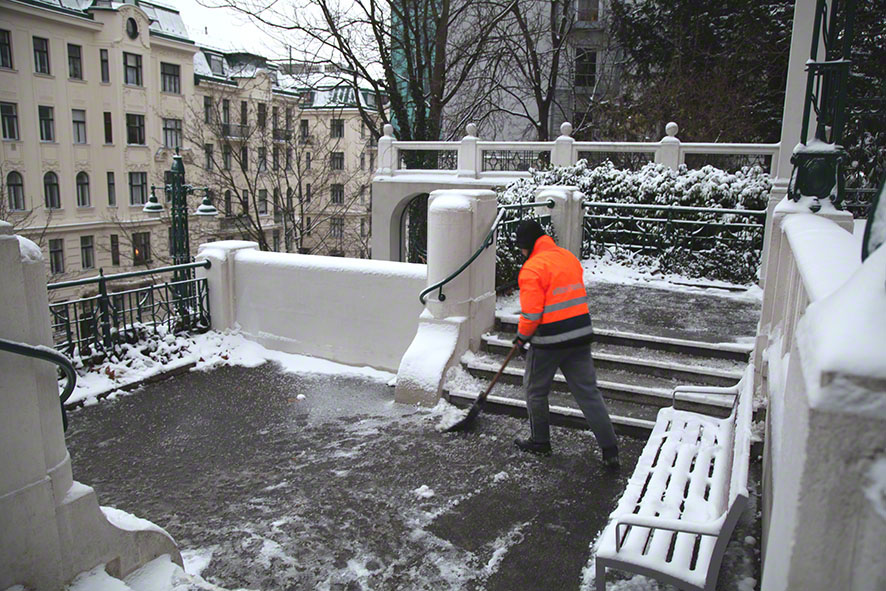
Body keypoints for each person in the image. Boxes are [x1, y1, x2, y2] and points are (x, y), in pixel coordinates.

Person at [512, 219, 619, 469]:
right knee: (588, 392)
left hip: (549, 341)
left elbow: (531, 314)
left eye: (521, 248)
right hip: (580, 335)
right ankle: (610, 449)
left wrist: (521, 338)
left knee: (535, 390)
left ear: (527, 245)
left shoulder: (532, 269)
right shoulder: (567, 257)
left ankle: (540, 442)